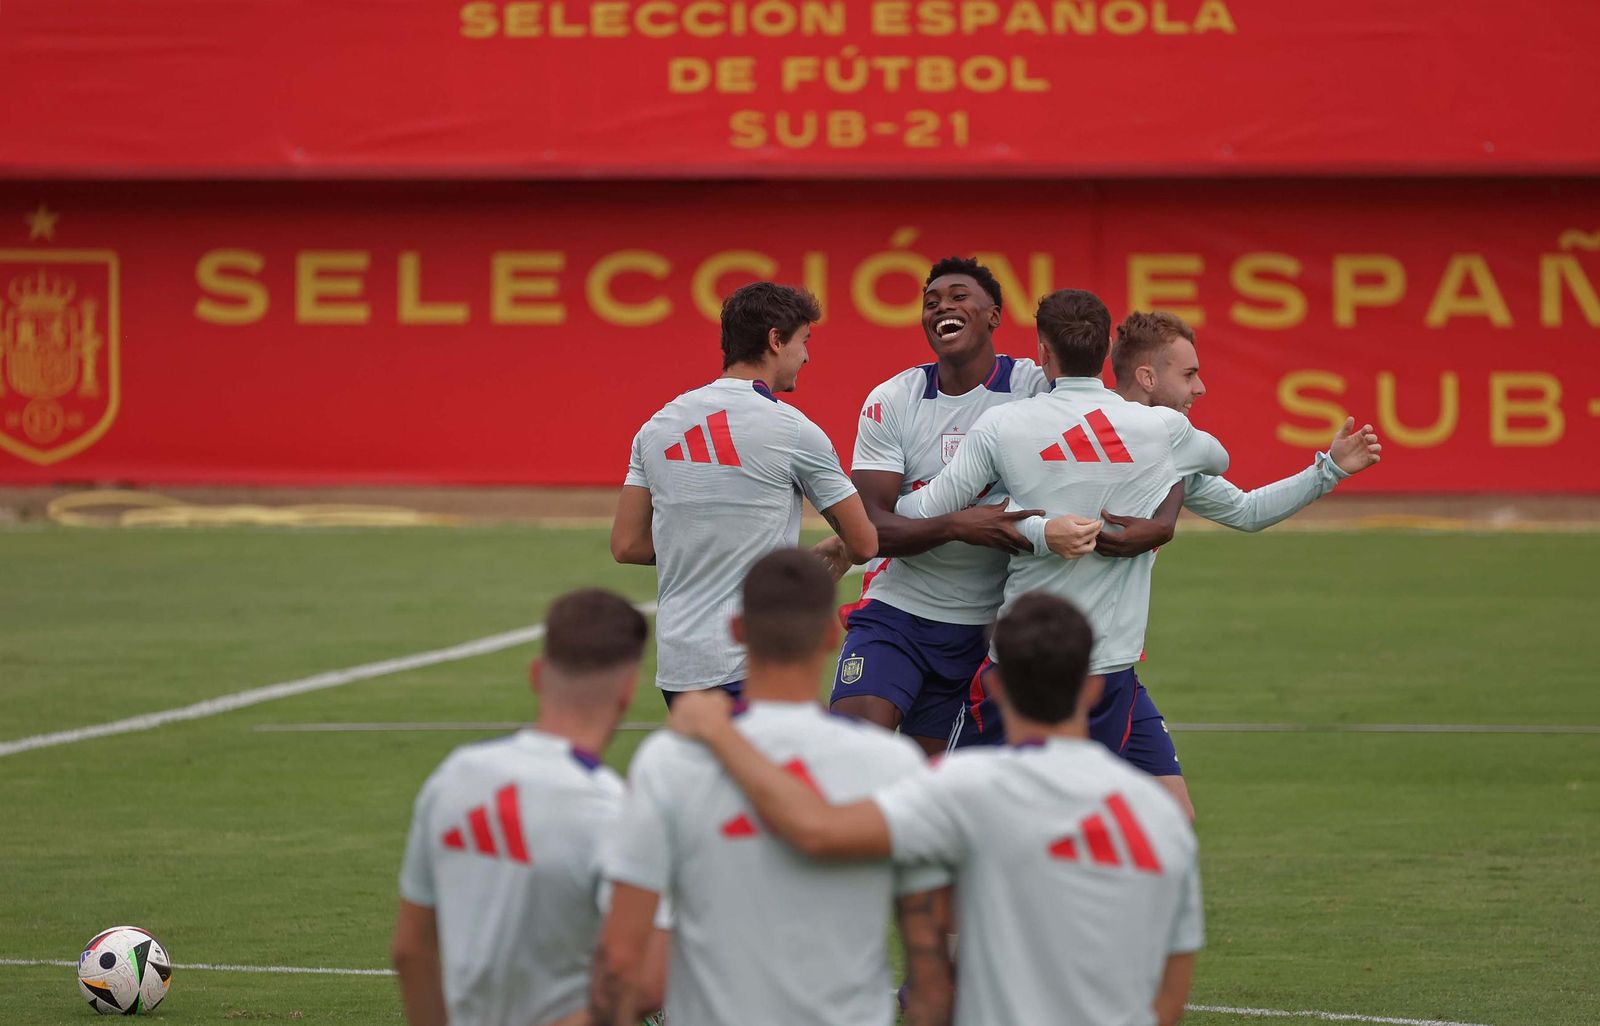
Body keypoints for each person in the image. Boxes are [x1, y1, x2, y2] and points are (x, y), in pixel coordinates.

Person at [667, 591, 1203, 1026]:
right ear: (1092, 690)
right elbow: (1169, 1000)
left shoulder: (964, 789)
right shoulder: (1165, 817)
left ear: (993, 683)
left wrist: (720, 733)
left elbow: (815, 828)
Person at [897, 289, 1226, 818]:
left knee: (954, 811)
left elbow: (923, 511)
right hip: (1107, 665)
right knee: (1140, 817)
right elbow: (1217, 458)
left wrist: (865, 518)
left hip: (1018, 664)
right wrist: (1162, 510)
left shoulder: (1004, 425)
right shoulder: (1163, 431)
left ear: (1043, 352)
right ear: (1104, 352)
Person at [592, 549, 954, 1026]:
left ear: (737, 631)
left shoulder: (672, 762)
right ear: (830, 635)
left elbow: (627, 969)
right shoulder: (891, 765)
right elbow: (931, 976)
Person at [392, 589, 666, 1026]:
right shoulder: (617, 812)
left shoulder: (453, 777)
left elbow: (410, 950)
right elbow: (642, 981)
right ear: (628, 691)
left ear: (537, 674)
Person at [611, 281, 878, 707]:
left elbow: (627, 545)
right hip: (753, 661)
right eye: (803, 341)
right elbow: (864, 542)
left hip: (679, 667)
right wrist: (839, 551)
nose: (807, 356)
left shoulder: (657, 425)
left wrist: (710, 546)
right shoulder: (793, 429)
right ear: (776, 340)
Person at [830, 256, 1052, 753]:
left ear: (993, 315)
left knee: (935, 797)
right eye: (931, 302)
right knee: (848, 756)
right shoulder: (894, 399)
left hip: (984, 631)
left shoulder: (1034, 389)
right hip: (897, 615)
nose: (942, 308)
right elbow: (869, 531)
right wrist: (957, 526)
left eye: (957, 297)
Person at [1094, 310, 1382, 558]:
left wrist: (1329, 470)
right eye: (1188, 374)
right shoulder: (1074, 431)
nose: (1200, 387)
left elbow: (1248, 511)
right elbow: (1220, 460)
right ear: (1148, 378)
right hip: (1056, 618)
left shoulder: (1173, 453)